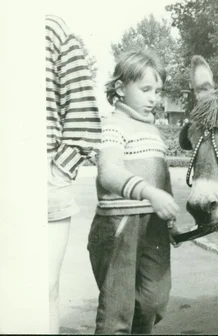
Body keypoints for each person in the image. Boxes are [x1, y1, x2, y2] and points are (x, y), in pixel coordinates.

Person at [88, 49, 180, 333]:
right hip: (118, 226)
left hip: (153, 226)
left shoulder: (154, 132)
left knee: (153, 302)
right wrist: (149, 194)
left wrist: (171, 221)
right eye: (145, 89)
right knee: (118, 309)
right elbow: (110, 173)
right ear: (120, 88)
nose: (154, 98)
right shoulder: (112, 126)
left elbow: (163, 181)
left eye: (158, 91)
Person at [46, 15, 101, 333]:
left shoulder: (51, 30)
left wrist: (56, 173)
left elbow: (83, 114)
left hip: (39, 177)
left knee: (40, 292)